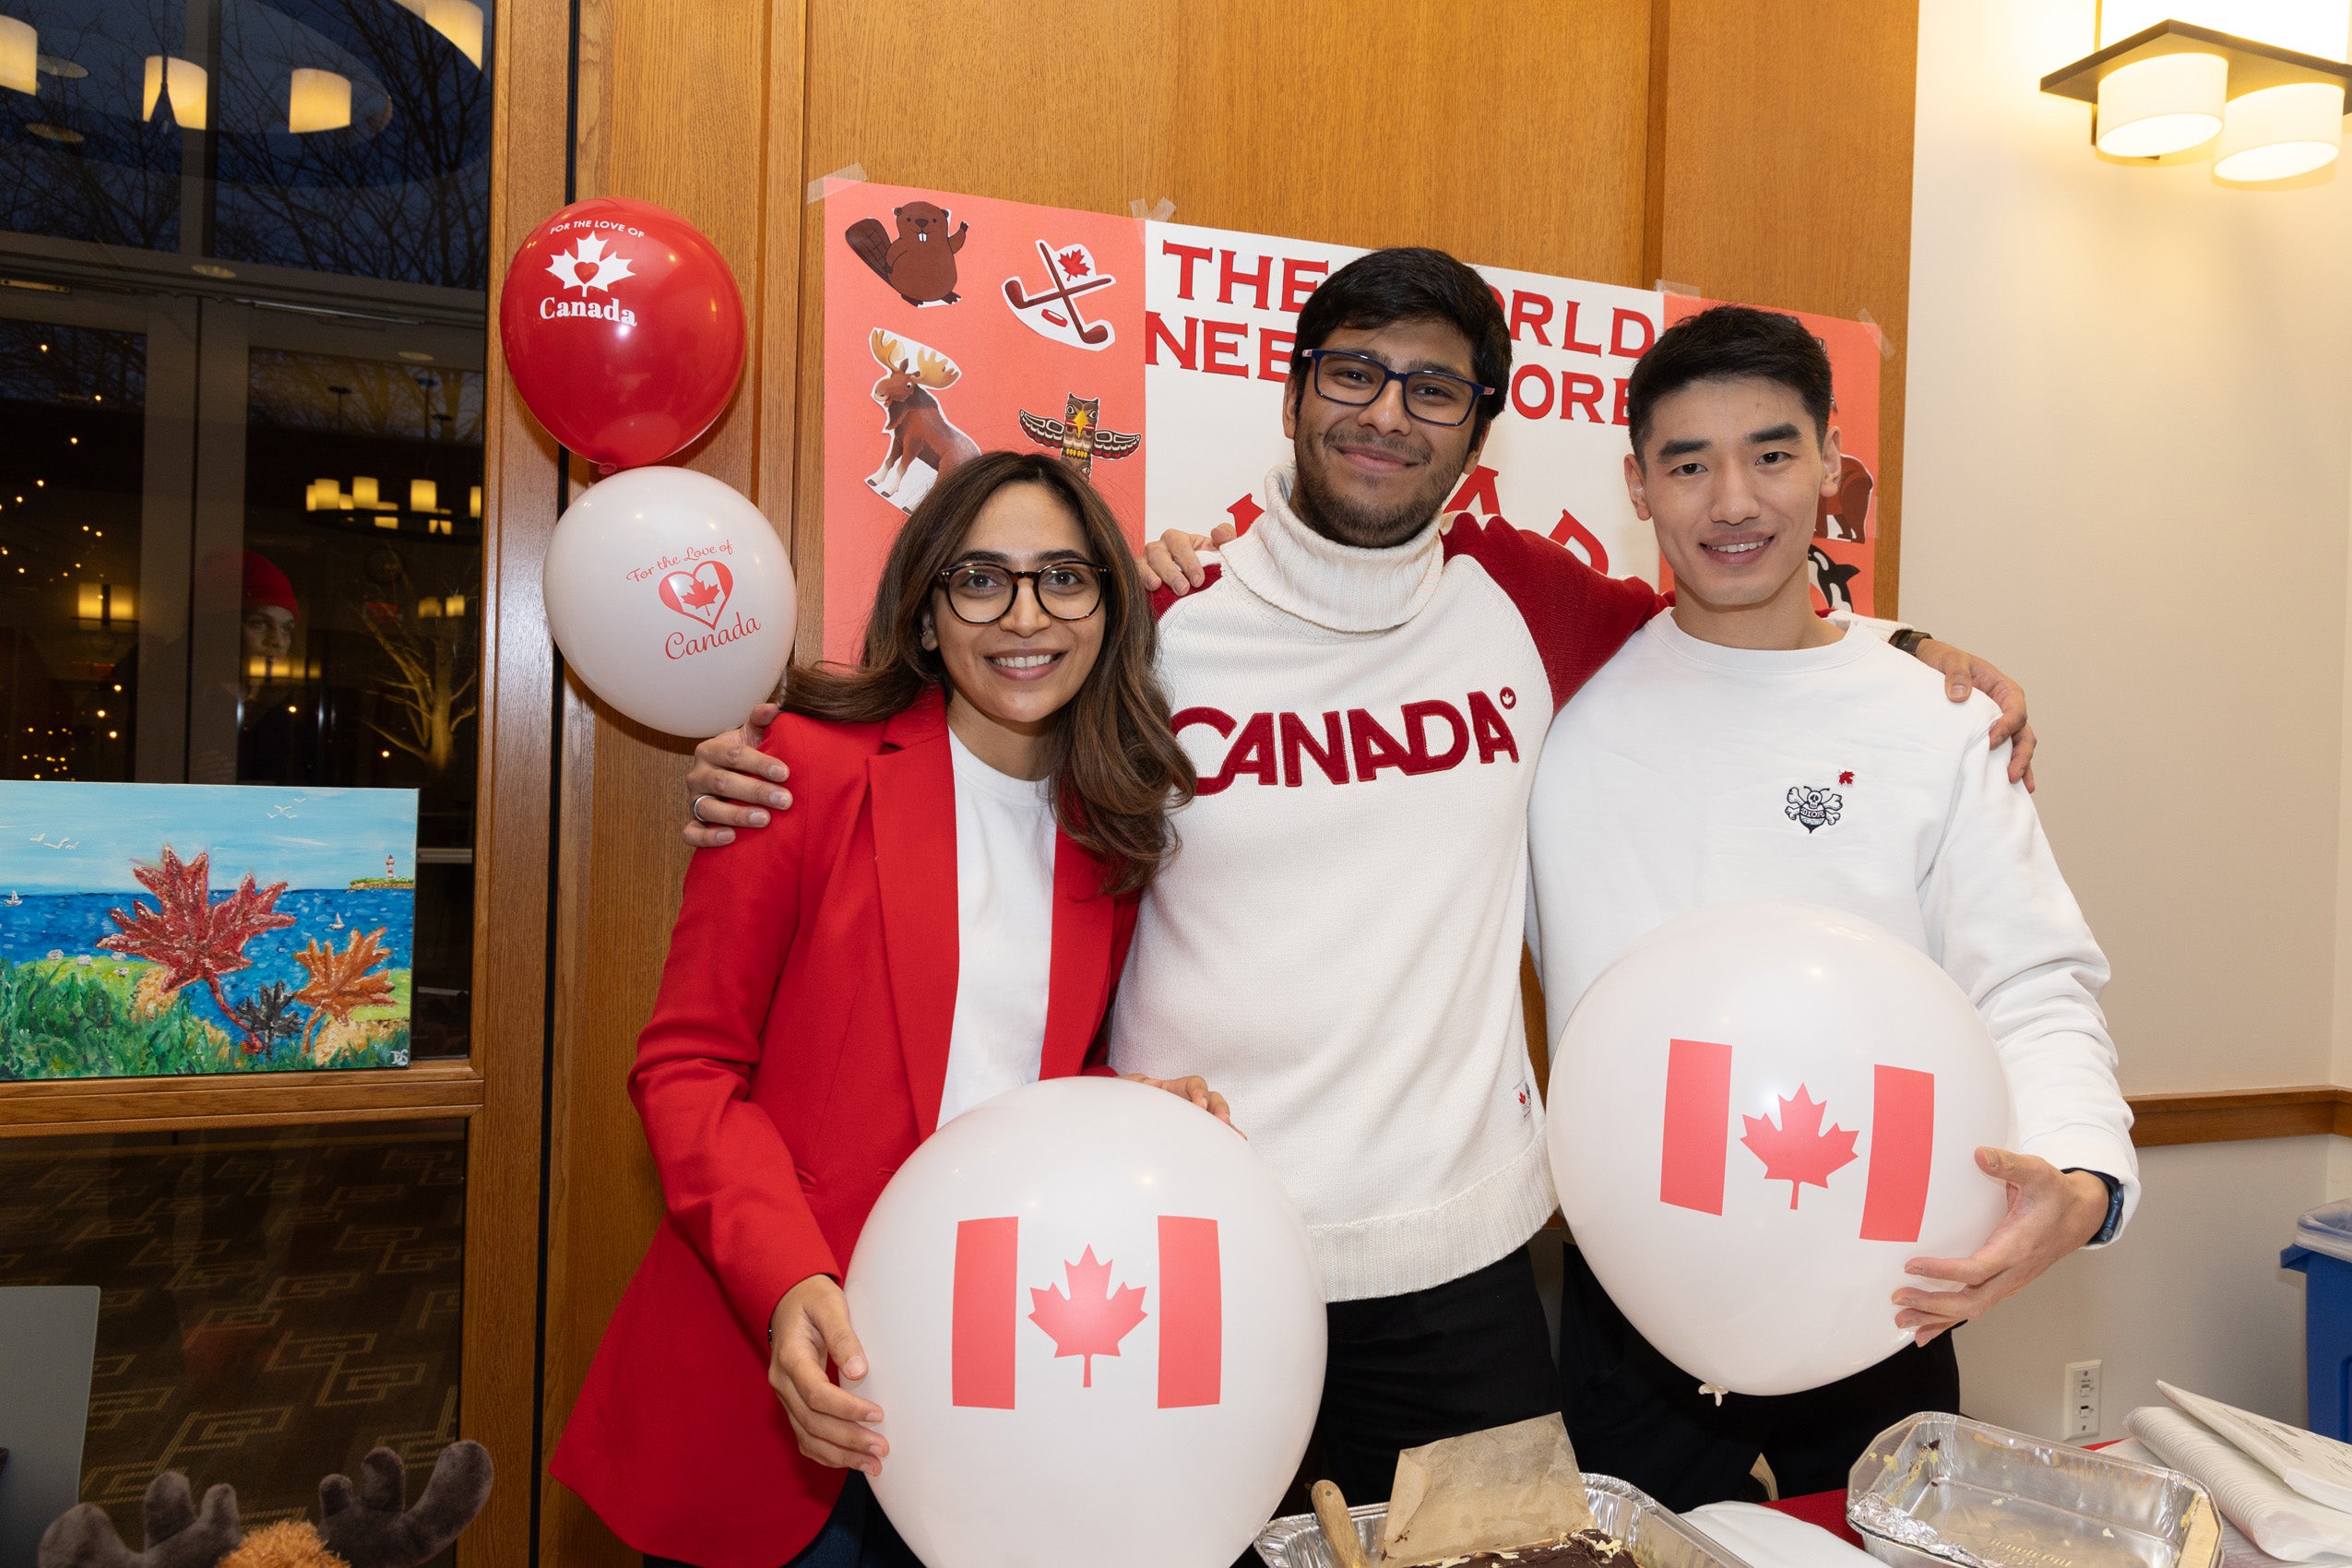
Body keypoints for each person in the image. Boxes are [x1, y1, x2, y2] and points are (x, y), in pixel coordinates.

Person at [678, 247, 2037, 1506]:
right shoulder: (1149, 621)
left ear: (1477, 429)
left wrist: (1913, 650)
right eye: (1353, 372)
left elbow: (1735, 613)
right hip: (1185, 1254)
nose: (1387, 412)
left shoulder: (1530, 604)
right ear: (1291, 396)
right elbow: (970, 743)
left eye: (1433, 387)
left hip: (1463, 1269)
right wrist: (781, 747)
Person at [550, 452, 1228, 1568]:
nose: (1026, 615)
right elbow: (687, 1067)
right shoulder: (801, 769)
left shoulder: (1107, 822)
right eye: (981, 579)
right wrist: (787, 1282)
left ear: (1109, 608)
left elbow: (1003, 1079)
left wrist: (1137, 1109)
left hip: (983, 1385)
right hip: (781, 1375)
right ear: (924, 613)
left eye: (1065, 577)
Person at [1526, 304, 2134, 1509]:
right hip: (1634, 1285)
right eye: (1687, 464)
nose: (1733, 502)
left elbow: (2027, 978)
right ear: (1636, 485)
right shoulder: (1560, 709)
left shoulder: (1933, 715)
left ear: (1828, 462)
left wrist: (2082, 1172)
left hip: (1889, 1282)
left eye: (1770, 453)